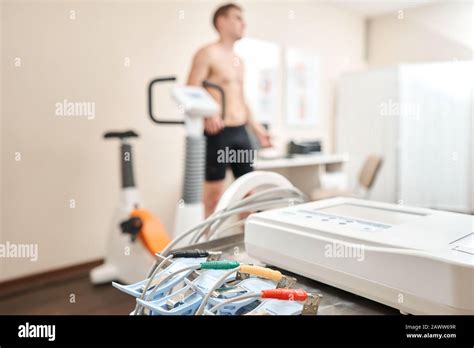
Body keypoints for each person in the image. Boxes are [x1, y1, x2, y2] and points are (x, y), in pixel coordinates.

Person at [187, 3, 272, 217]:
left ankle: (248, 247)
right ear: (221, 21)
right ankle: (206, 247)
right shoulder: (207, 53)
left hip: (240, 132)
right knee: (214, 195)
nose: (244, 23)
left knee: (248, 193)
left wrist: (258, 129)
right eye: (237, 17)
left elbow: (241, 99)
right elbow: (191, 89)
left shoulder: (239, 61)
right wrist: (208, 113)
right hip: (218, 133)